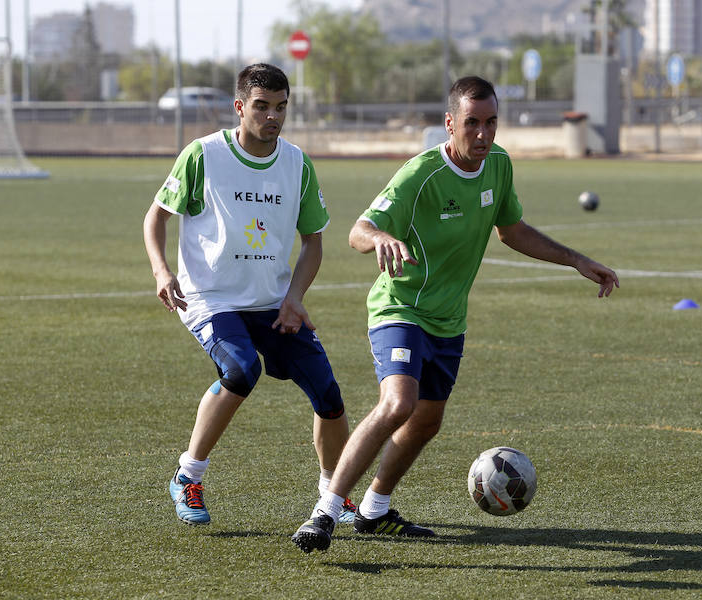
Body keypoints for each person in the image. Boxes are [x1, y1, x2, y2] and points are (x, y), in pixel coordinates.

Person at [292, 75, 619, 552]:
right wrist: (381, 237)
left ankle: (374, 511)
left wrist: (575, 259)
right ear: (450, 124)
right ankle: (324, 514)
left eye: (491, 123)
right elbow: (358, 230)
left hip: (448, 319)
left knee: (427, 421)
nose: (483, 135)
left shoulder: (498, 165)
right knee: (398, 404)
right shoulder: (420, 174)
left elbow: (511, 230)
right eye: (472, 123)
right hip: (400, 308)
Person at [143, 63, 355, 526]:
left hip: (273, 303)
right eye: (261, 107)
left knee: (329, 395)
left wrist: (295, 296)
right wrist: (162, 271)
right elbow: (156, 217)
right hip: (211, 297)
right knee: (241, 369)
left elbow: (314, 240)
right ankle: (188, 475)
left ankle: (332, 495)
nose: (272, 116)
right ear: (240, 107)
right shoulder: (203, 155)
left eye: (281, 107)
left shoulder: (296, 163)